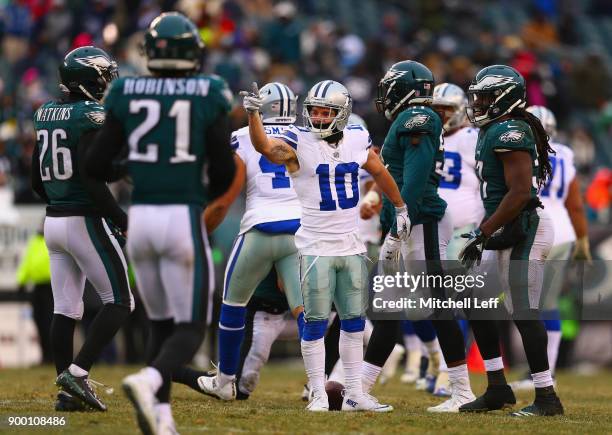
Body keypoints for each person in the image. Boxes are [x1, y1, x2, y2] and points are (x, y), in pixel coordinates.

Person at [85, 12, 235, 433]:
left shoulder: (125, 89)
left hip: (142, 220)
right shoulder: (208, 91)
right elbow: (224, 172)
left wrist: (133, 167)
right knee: (190, 326)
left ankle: (163, 418)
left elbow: (96, 164)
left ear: (149, 53)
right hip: (181, 216)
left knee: (161, 322)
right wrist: (191, 184)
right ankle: (151, 381)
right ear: (193, 53)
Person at [241, 79, 409, 412]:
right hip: (316, 245)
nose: (317, 118)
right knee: (317, 322)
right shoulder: (298, 142)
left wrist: (400, 206)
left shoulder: (358, 139)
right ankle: (318, 392)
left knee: (353, 321)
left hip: (351, 245)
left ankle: (354, 392)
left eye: (325, 112)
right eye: (314, 112)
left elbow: (379, 169)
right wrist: (254, 117)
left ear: (342, 113)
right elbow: (265, 147)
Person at [362, 60, 476, 413]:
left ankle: (461, 391)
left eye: (391, 86)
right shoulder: (412, 118)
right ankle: (359, 390)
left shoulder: (419, 118)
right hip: (410, 223)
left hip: (420, 222)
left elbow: (412, 180)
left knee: (439, 307)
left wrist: (399, 226)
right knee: (386, 309)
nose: (386, 94)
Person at [31, 45, 133, 412]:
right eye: (104, 78)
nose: (108, 84)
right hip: (83, 219)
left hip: (53, 220)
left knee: (66, 308)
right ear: (89, 80)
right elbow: (93, 181)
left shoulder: (46, 112)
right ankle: (77, 372)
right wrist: (122, 221)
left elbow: (36, 180)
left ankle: (67, 390)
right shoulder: (90, 115)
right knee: (120, 301)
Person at [459, 65, 564, 416]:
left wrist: (482, 232)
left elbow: (520, 193)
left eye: (486, 96)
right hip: (504, 228)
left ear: (504, 97)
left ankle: (547, 397)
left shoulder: (511, 130)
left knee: (524, 311)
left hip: (524, 228)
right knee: (477, 302)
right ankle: (497, 388)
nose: (479, 102)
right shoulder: (495, 129)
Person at [197, 82, 305, 401]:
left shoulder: (243, 136)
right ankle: (319, 384)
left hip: (259, 227)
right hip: (300, 229)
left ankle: (225, 381)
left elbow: (230, 188)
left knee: (233, 304)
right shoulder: (307, 135)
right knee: (307, 312)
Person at [510, 105, 591, 390]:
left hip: (536, 228)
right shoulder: (565, 153)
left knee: (530, 305)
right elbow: (575, 205)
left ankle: (543, 374)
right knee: (546, 304)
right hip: (563, 231)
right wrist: (581, 238)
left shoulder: (519, 148)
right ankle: (545, 371)